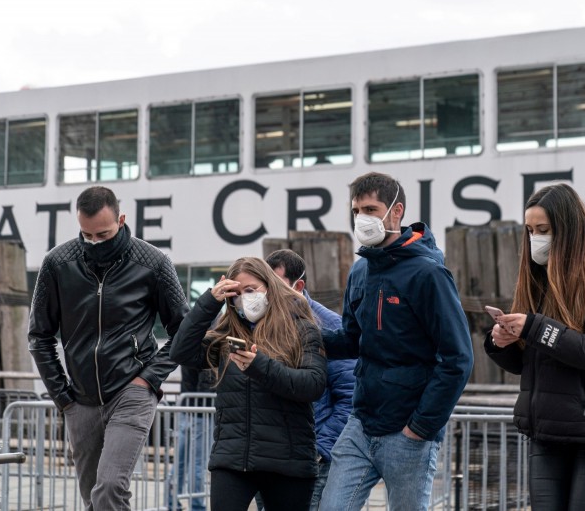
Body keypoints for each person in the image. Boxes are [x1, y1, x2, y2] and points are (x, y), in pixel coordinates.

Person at [319, 172, 474, 511]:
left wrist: (421, 427)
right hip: (361, 424)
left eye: (371, 209)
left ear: (396, 211)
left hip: (407, 432)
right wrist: (304, 338)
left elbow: (457, 357)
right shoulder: (359, 272)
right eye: (357, 211)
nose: (363, 219)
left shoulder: (428, 274)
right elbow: (351, 341)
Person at [28, 186, 189, 510]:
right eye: (87, 235)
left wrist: (148, 379)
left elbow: (183, 330)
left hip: (131, 391)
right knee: (92, 498)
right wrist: (63, 398)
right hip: (80, 400)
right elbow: (39, 336)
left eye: (103, 234)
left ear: (121, 219)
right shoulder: (58, 263)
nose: (95, 242)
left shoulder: (153, 263)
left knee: (110, 488)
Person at [484, 182, 585, 510]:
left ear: (568, 229)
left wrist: (536, 327)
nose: (535, 238)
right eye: (529, 230)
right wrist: (503, 343)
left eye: (543, 229)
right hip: (548, 431)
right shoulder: (538, 279)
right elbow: (533, 363)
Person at [169, 257, 327, 511]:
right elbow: (180, 352)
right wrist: (209, 302)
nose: (245, 298)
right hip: (233, 459)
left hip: (287, 461)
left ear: (270, 287)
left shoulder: (302, 329)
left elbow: (313, 384)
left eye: (251, 290)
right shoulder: (225, 336)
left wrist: (259, 367)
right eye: (237, 294)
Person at [265, 249, 356, 510]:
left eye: (275, 285)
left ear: (298, 285)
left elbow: (350, 397)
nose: (268, 294)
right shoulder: (259, 322)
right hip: (269, 456)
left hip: (309, 456)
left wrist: (320, 450)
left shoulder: (328, 326)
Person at [171, 366, 214, 511]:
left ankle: (171, 502)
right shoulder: (207, 349)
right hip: (201, 410)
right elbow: (206, 384)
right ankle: (196, 505)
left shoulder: (188, 346)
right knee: (197, 464)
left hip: (187, 408)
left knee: (180, 461)